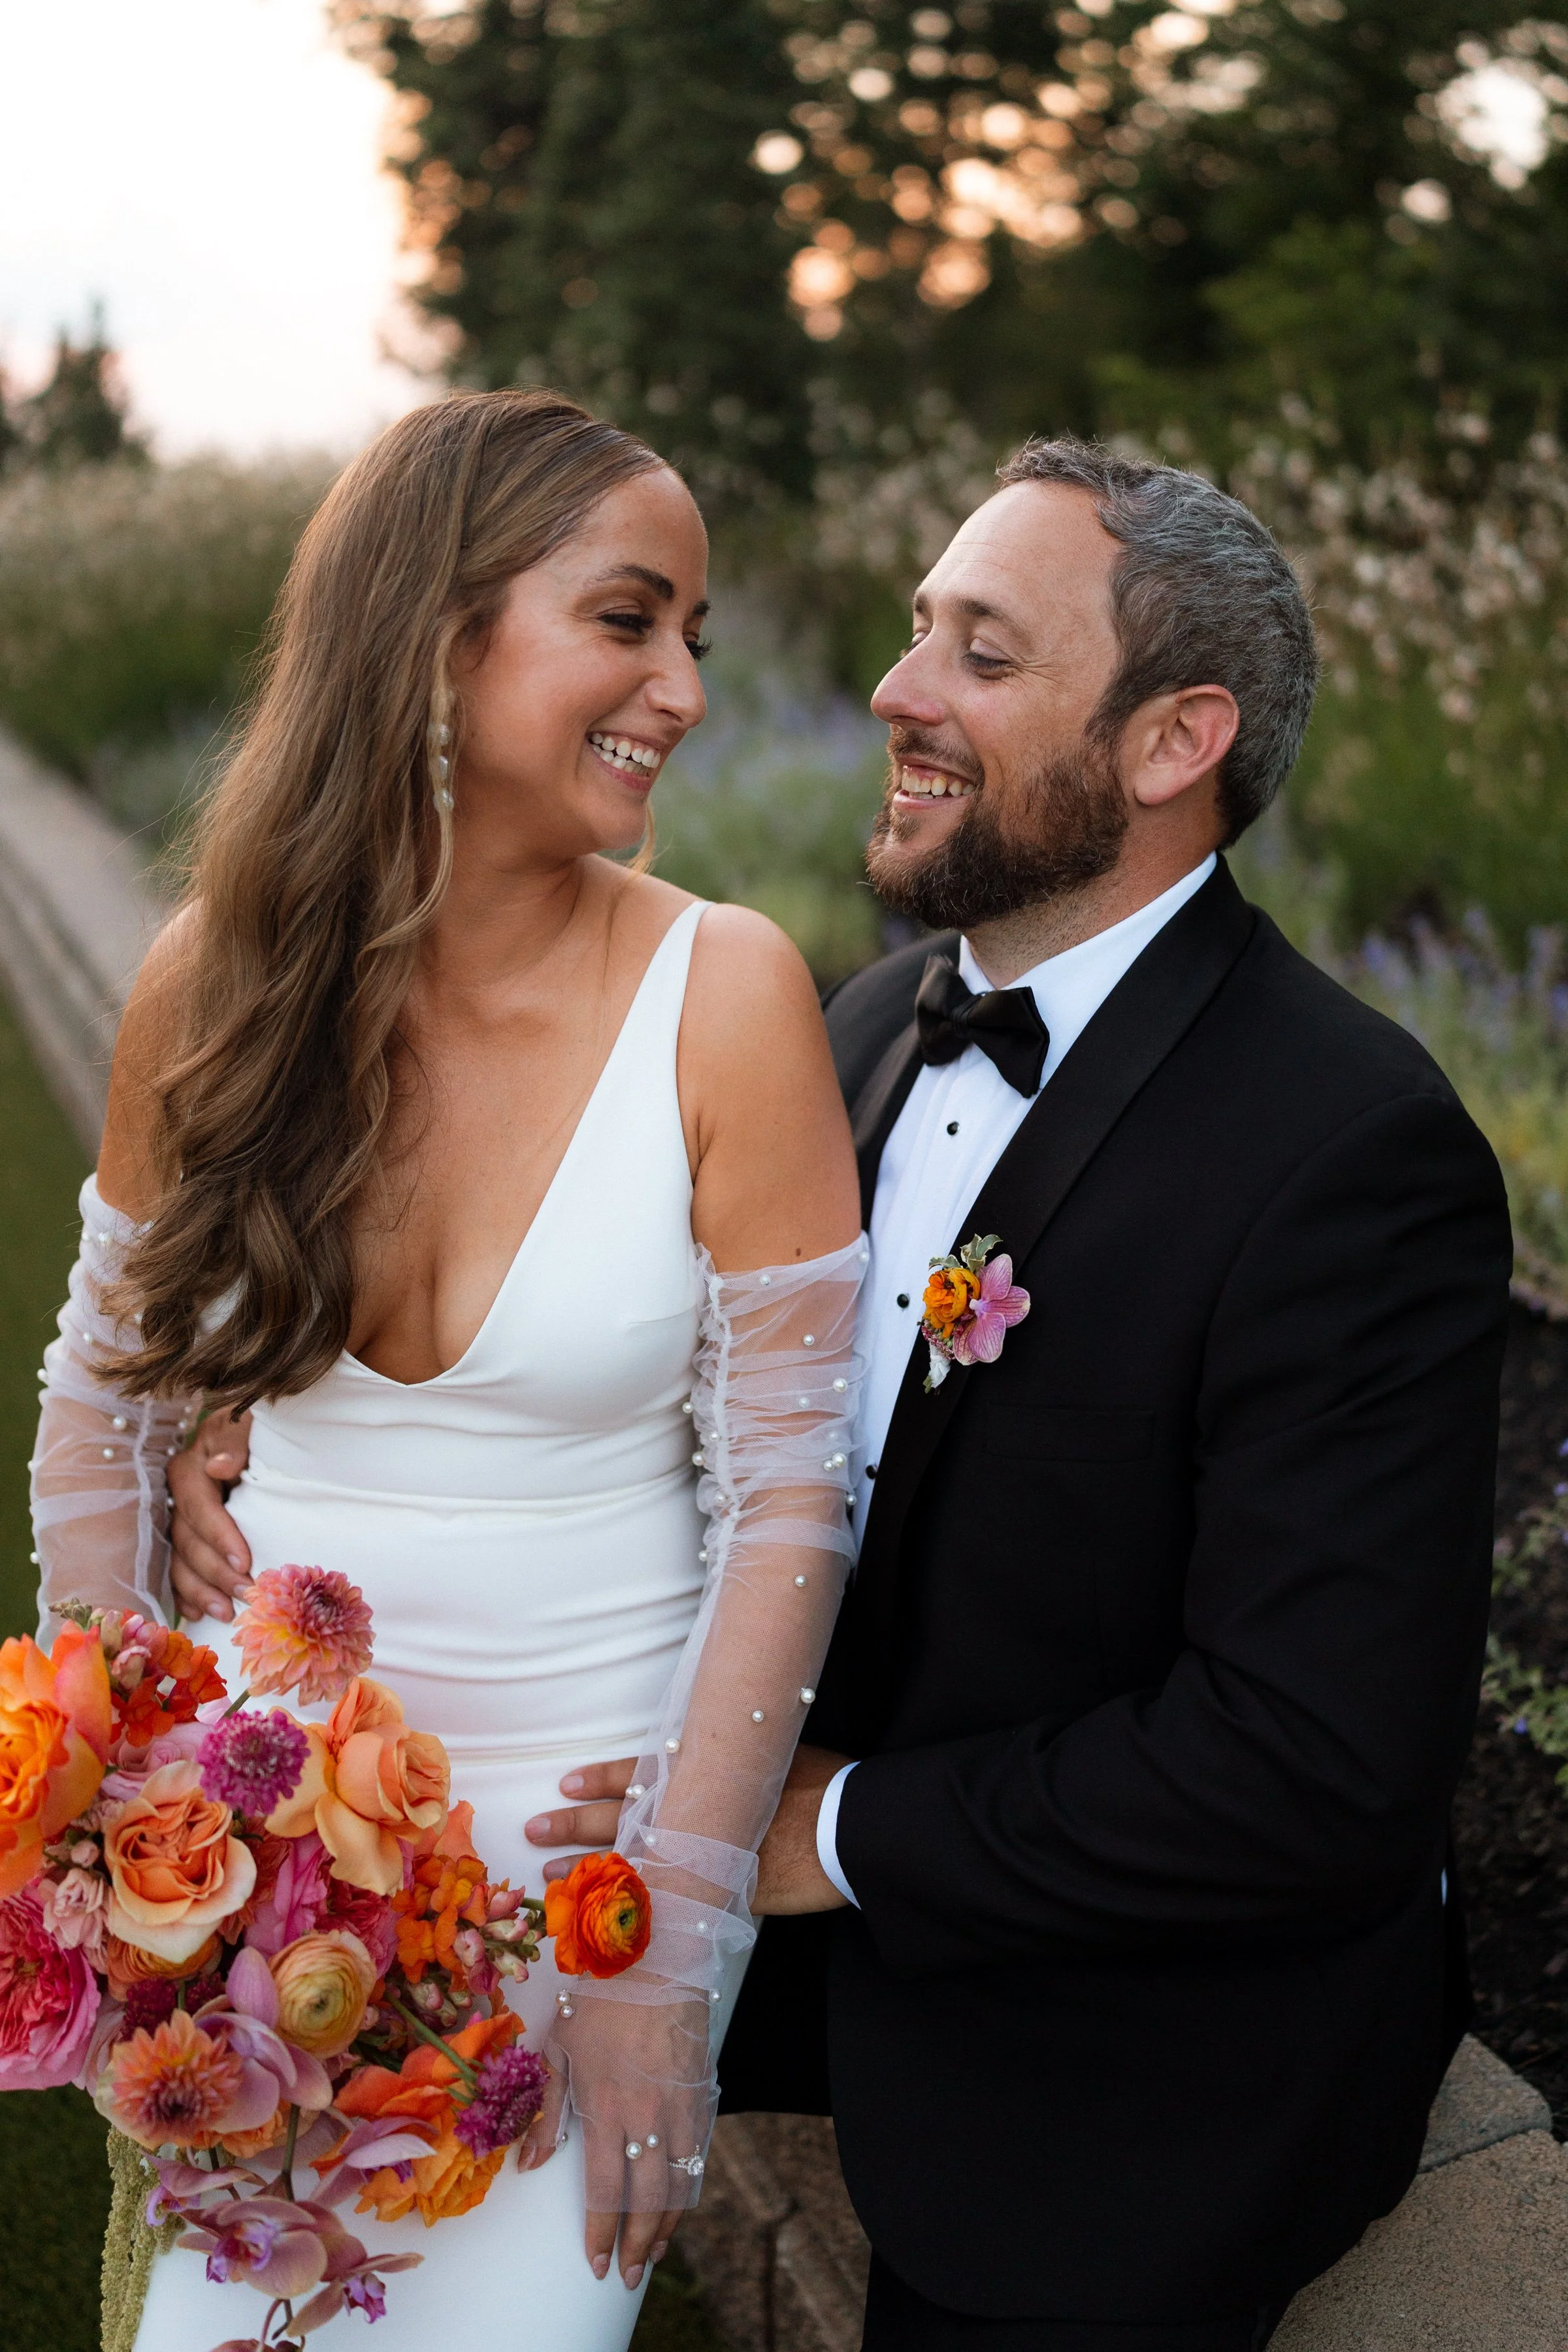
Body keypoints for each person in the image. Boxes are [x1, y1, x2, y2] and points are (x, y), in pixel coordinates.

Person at [171, 442, 1513, 2349]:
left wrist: (834, 1831)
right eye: (912, 635)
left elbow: (1318, 1769)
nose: (894, 693)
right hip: (786, 1982)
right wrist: (260, 1404)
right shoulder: (865, 1027)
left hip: (1127, 2093)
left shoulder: (1351, 1149)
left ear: (1169, 741)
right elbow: (654, 1401)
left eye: (981, 653)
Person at [31, 389, 864, 2350]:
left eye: (697, 639)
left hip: (587, 1853)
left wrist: (676, 1916)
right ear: (434, 632)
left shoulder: (722, 989)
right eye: (629, 619)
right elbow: (100, 1397)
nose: (682, 689)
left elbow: (792, 1494)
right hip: (262, 1816)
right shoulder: (211, 980)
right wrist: (123, 1798)